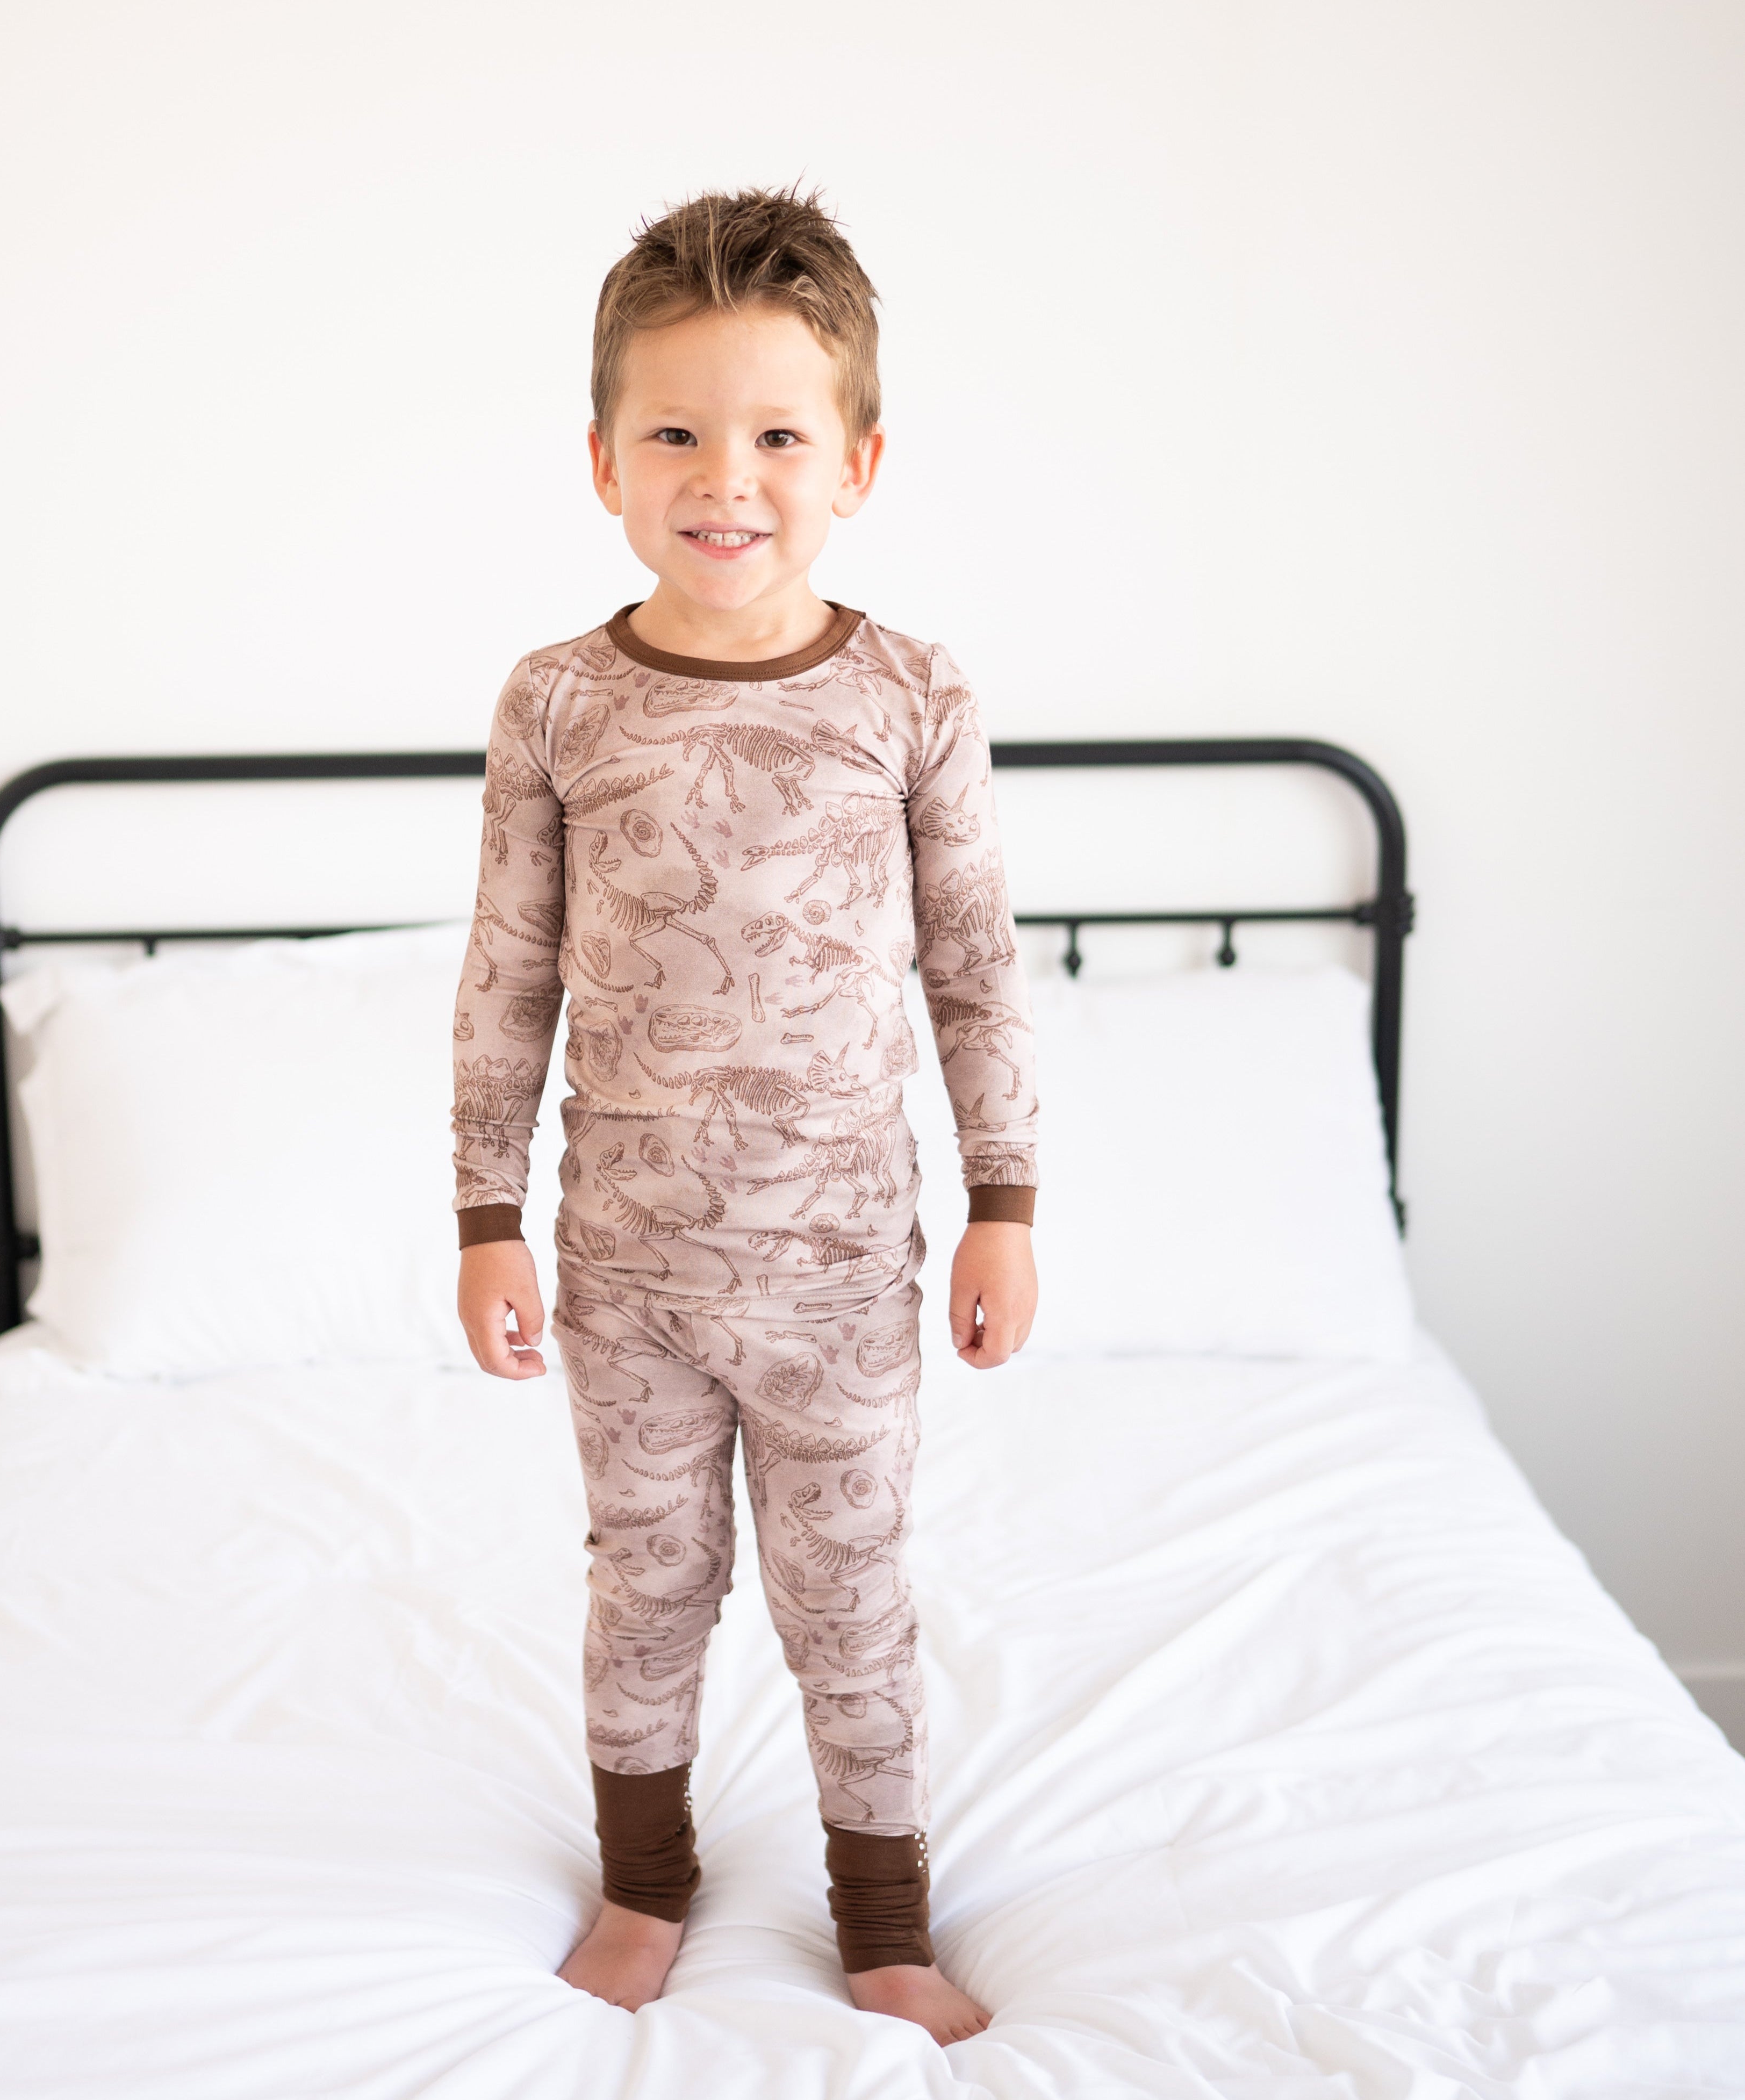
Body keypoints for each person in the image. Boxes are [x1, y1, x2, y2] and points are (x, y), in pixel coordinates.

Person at [449, 187, 1037, 2048]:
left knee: (847, 1597)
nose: (726, 479)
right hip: (627, 1269)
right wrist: (484, 1216)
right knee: (646, 1584)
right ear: (603, 463)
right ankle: (645, 1884)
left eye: (778, 435)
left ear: (856, 461)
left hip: (841, 1270)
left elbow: (974, 970)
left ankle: (883, 1922)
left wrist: (1004, 1198)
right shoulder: (557, 702)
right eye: (676, 435)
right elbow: (507, 976)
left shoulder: (911, 694)